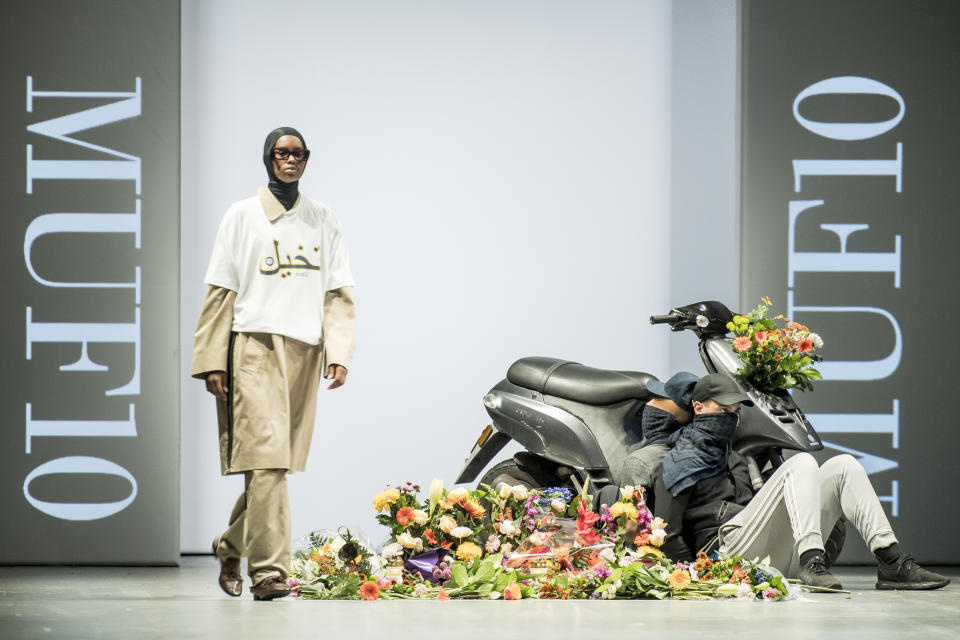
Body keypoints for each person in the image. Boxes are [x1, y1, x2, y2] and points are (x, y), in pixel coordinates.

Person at [191, 127, 356, 600]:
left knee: (276, 466)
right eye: (283, 152)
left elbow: (338, 294)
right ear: (268, 158)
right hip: (253, 348)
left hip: (305, 351)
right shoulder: (241, 216)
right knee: (265, 463)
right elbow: (220, 291)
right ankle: (269, 573)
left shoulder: (324, 219)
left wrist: (339, 352)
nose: (291, 160)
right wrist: (211, 360)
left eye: (299, 153)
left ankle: (230, 543)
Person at [653, 373, 950, 591]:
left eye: (736, 410)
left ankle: (891, 561)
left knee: (842, 465)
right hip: (722, 556)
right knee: (802, 463)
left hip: (766, 552)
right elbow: (667, 531)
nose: (732, 416)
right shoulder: (680, 459)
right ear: (699, 407)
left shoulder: (736, 456)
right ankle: (811, 560)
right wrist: (695, 577)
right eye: (724, 409)